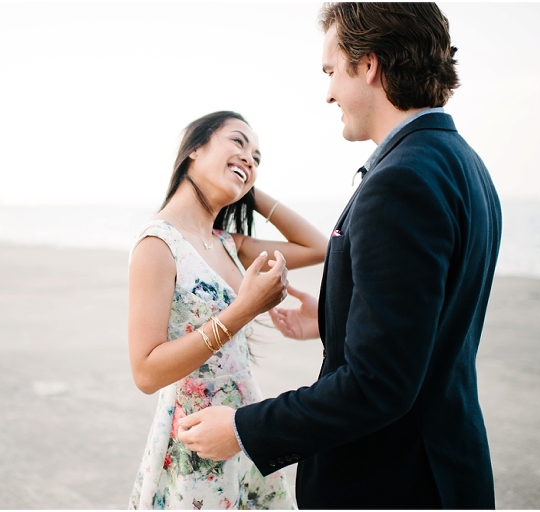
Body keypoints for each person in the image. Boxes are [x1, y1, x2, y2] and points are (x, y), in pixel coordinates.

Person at [177, 3, 502, 509]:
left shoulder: (399, 181)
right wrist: (335, 319)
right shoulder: (466, 164)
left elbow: (378, 385)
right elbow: (427, 331)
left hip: (391, 484)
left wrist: (243, 429)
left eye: (331, 71)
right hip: (449, 467)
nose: (327, 92)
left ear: (368, 65)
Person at [127, 110, 327, 509]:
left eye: (257, 157)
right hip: (197, 437)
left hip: (242, 427)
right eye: (238, 142)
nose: (250, 158)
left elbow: (319, 247)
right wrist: (244, 309)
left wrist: (245, 182)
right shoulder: (158, 243)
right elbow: (146, 373)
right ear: (195, 148)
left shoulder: (227, 243)